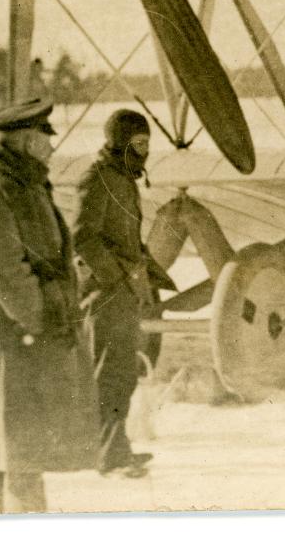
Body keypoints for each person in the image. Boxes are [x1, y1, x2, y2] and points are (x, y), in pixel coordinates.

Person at [0, 99, 97, 513]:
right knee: (20, 447)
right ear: (28, 142)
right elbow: (5, 272)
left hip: (20, 331)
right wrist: (44, 318)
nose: (52, 147)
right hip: (13, 333)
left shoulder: (24, 187)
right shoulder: (0, 193)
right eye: (46, 139)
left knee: (17, 446)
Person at [73, 109, 174, 477]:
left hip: (124, 293)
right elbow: (82, 236)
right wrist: (114, 278)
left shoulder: (122, 178)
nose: (144, 151)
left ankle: (117, 449)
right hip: (106, 295)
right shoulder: (98, 178)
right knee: (108, 376)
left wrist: (142, 276)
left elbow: (126, 239)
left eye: (147, 144)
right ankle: (107, 457)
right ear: (120, 142)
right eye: (138, 143)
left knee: (122, 376)